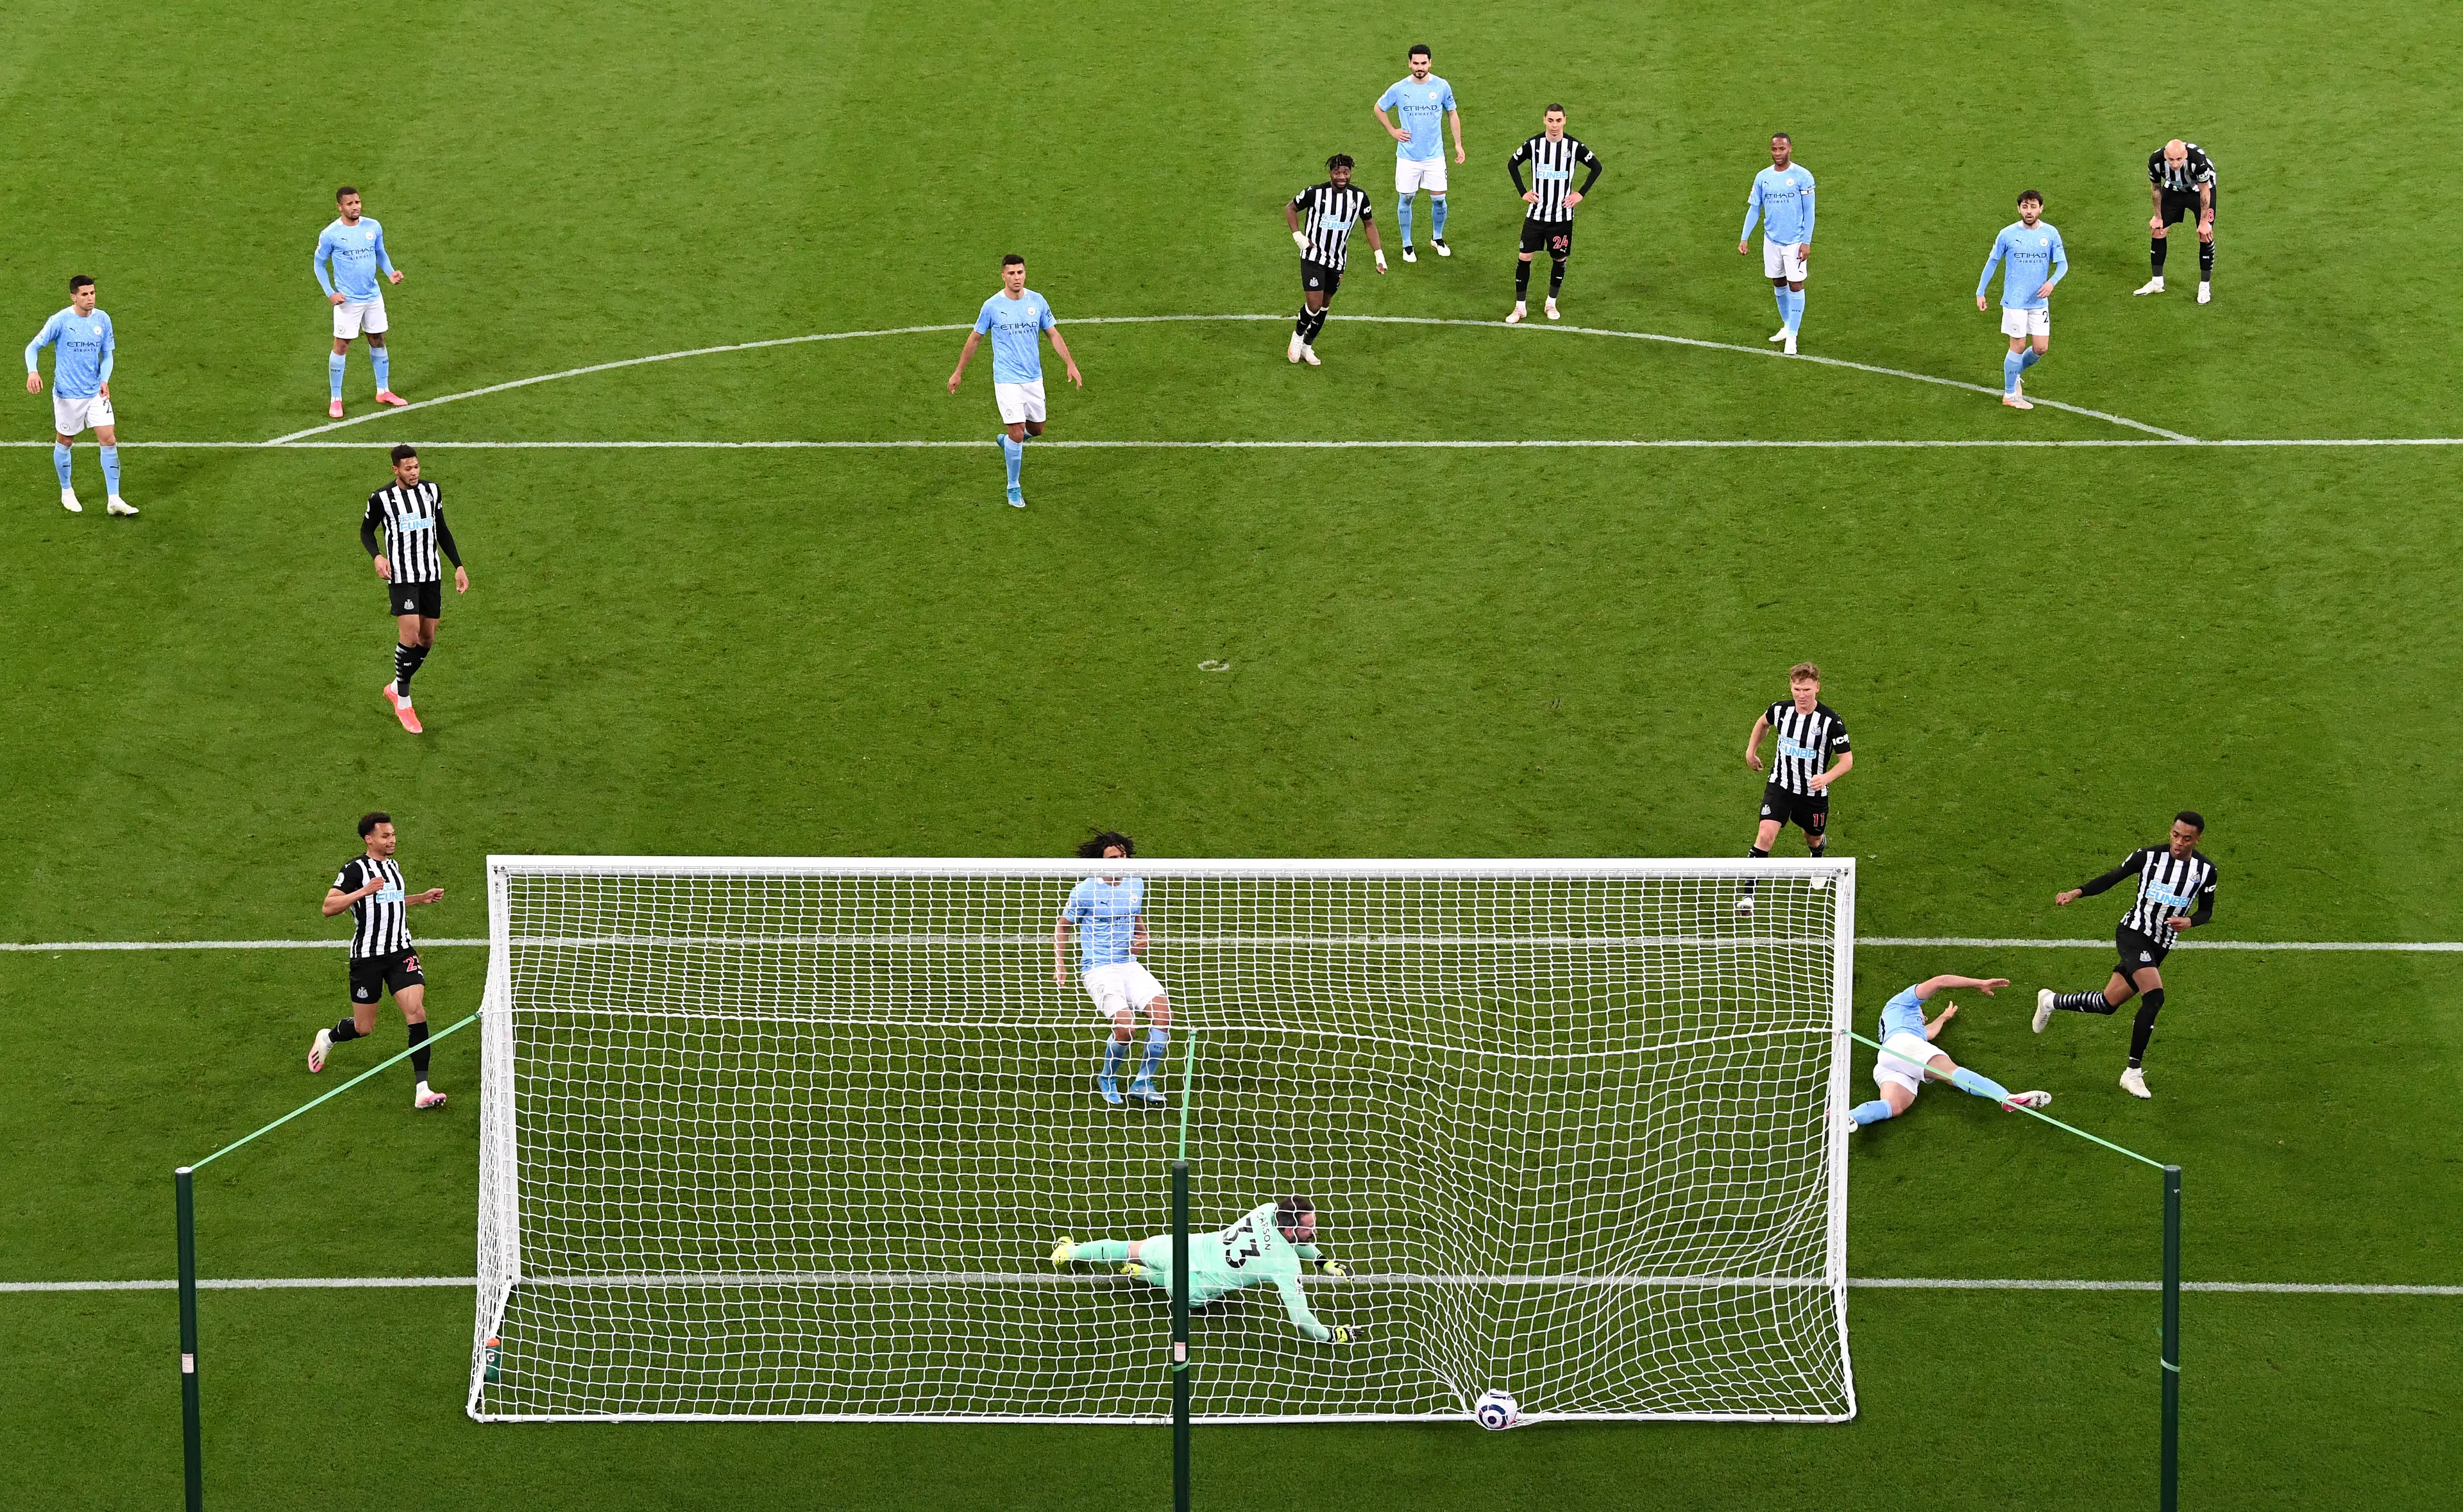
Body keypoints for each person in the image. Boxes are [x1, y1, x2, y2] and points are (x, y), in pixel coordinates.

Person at [2035, 812, 2217, 1100]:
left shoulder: (2206, 870)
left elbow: (2207, 910)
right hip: (2133, 933)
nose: (2179, 843)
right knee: (2155, 996)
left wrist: (2191, 921)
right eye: (2175, 835)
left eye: (2186, 839)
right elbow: (2112, 878)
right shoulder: (2148, 857)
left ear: (2197, 840)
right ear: (2170, 831)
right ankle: (2132, 1073)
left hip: (2161, 944)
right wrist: (2076, 892)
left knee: (2108, 1003)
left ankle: (2050, 1001)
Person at [1052, 1197, 1367, 1344]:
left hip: (1180, 1246)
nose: (1314, 1232)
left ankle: (1070, 1251)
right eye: (1309, 1228)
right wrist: (1332, 1336)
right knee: (1193, 1294)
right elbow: (1302, 1321)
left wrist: (1323, 1260)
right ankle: (1146, 1276)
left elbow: (1292, 1240)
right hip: (1191, 1287)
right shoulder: (1285, 1265)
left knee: (1129, 1247)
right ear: (1289, 1231)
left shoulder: (1268, 1210)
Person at [310, 812, 449, 1109]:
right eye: (385, 836)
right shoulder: (355, 870)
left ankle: (422, 1089)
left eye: (393, 834)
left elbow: (390, 899)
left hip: (401, 952)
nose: (392, 840)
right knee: (364, 1028)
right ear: (369, 839)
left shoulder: (393, 866)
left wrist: (420, 898)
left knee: (416, 1011)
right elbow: (328, 907)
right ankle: (329, 1036)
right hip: (368, 959)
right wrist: (363, 890)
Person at [947, 254, 1083, 508]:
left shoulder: (1037, 301)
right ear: (1003, 276)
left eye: (1020, 272)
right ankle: (1013, 487)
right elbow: (974, 339)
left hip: (1033, 377)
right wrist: (958, 372)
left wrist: (1070, 363)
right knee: (1018, 431)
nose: (1016, 277)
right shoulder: (991, 306)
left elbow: (1052, 333)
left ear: (1025, 273)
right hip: (1007, 379)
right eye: (1011, 273)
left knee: (1038, 429)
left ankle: (1008, 441)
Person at [1054, 832, 1171, 1106]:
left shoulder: (1136, 883)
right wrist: (1060, 964)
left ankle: (1143, 1082)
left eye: (1124, 856)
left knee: (1164, 1017)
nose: (1122, 862)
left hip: (1128, 965)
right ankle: (1108, 1077)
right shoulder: (1085, 891)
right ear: (1100, 863)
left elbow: (1134, 913)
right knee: (1126, 1029)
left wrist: (1144, 935)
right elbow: (1062, 926)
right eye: (1114, 858)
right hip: (1099, 969)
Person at [1846, 975, 2050, 1130]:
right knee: (1951, 1073)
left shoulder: (1908, 1026)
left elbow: (1930, 1033)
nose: (1924, 1016)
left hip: (1888, 1060)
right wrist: (1980, 983)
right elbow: (1940, 981)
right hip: (1902, 1047)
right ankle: (2005, 1098)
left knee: (1895, 1106)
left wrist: (1943, 1017)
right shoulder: (1901, 1003)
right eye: (1922, 1014)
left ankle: (1849, 1117)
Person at [361, 444, 468, 734]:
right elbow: (365, 531)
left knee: (427, 638)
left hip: (430, 573)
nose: (414, 472)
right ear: (396, 469)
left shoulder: (432, 492)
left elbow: (442, 529)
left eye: (416, 466)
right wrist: (377, 556)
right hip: (402, 576)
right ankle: (404, 702)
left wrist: (458, 566)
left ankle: (396, 687)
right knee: (409, 637)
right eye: (408, 468)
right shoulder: (382, 498)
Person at [1737, 662, 1851, 915]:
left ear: (1817, 688)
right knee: (1766, 834)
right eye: (1798, 689)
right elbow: (1762, 724)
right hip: (1781, 785)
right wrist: (1751, 751)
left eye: (1807, 690)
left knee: (1813, 837)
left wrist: (1826, 778)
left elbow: (1847, 761)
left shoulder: (1831, 722)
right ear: (1791, 687)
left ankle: (1818, 854)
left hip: (1812, 794)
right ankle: (1748, 894)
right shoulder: (1780, 711)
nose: (1802, 695)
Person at [24, 276, 134, 516]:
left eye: (93, 293)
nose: (90, 298)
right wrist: (33, 372)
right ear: (74, 296)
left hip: (95, 392)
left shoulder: (103, 320)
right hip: (68, 395)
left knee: (109, 439)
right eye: (85, 294)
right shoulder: (61, 321)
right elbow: (33, 347)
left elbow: (108, 355)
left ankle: (114, 499)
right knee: (65, 441)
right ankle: (67, 491)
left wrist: (104, 380)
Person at [313, 187, 407, 419]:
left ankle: (383, 391)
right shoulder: (330, 234)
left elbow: (380, 252)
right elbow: (319, 265)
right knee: (342, 346)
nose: (355, 206)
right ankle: (336, 399)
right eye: (349, 204)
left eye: (357, 202)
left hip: (373, 296)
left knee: (377, 339)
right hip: (348, 300)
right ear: (339, 207)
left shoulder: (373, 227)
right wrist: (330, 293)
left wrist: (390, 272)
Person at [1285, 155, 1386, 364]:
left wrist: (1379, 255)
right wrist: (1298, 237)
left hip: (1337, 260)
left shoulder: (1359, 198)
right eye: (1337, 173)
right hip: (1313, 256)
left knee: (1325, 303)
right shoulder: (1315, 193)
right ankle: (1297, 336)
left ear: (1351, 173)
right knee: (1313, 304)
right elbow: (1291, 208)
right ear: (1330, 173)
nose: (1342, 177)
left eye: (1346, 173)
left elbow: (1369, 225)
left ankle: (1307, 346)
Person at [1505, 105, 1602, 324]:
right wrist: (1523, 192)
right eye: (1551, 121)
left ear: (1565, 120)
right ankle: (1520, 308)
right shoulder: (1534, 144)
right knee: (1524, 257)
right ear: (1544, 120)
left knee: (1559, 258)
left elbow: (1596, 167)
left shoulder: (1574, 146)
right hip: (1536, 215)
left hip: (1562, 218)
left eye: (1559, 120)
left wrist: (1580, 194)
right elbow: (1513, 164)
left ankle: (1551, 303)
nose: (1555, 125)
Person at [1975, 190, 2067, 410]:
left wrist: (2052, 282)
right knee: (2018, 345)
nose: (2029, 211)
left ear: (2041, 209)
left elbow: (2063, 264)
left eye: (2033, 207)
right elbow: (1993, 262)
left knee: (2041, 348)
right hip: (2015, 300)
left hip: (2038, 302)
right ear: (2019, 209)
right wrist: (1981, 291)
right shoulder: (2007, 234)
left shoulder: (2051, 234)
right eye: (2025, 207)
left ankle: (2014, 374)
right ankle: (2010, 395)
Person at [1373, 45, 1464, 263]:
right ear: (1409, 64)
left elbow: (1452, 114)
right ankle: (1407, 245)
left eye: (1424, 63)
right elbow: (1379, 107)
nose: (1420, 68)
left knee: (1440, 200)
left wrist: (1458, 145)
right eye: (1416, 63)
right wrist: (1392, 131)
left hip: (1434, 156)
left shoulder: (1442, 86)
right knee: (1406, 198)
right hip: (1407, 156)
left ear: (1430, 63)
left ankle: (1437, 238)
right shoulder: (1399, 88)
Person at [1737, 133, 1816, 355]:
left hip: (1795, 242)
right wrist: (1745, 237)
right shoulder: (1763, 177)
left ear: (1790, 148)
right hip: (1771, 239)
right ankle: (1787, 325)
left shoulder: (1803, 176)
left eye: (1782, 149)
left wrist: (1806, 242)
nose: (1778, 154)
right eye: (1774, 150)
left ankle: (1792, 337)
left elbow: (1810, 211)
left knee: (1796, 285)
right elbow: (1755, 208)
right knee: (1778, 282)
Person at [2136, 140, 2217, 303]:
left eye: (2179, 159)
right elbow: (2156, 188)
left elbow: (2204, 191)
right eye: (2171, 160)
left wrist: (2203, 222)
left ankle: (2204, 287)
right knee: (2158, 230)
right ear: (2165, 155)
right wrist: (2158, 217)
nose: (2175, 164)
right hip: (2174, 189)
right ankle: (2157, 282)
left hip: (2199, 191)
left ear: (2185, 154)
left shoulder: (2198, 162)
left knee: (2204, 234)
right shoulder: (2155, 161)